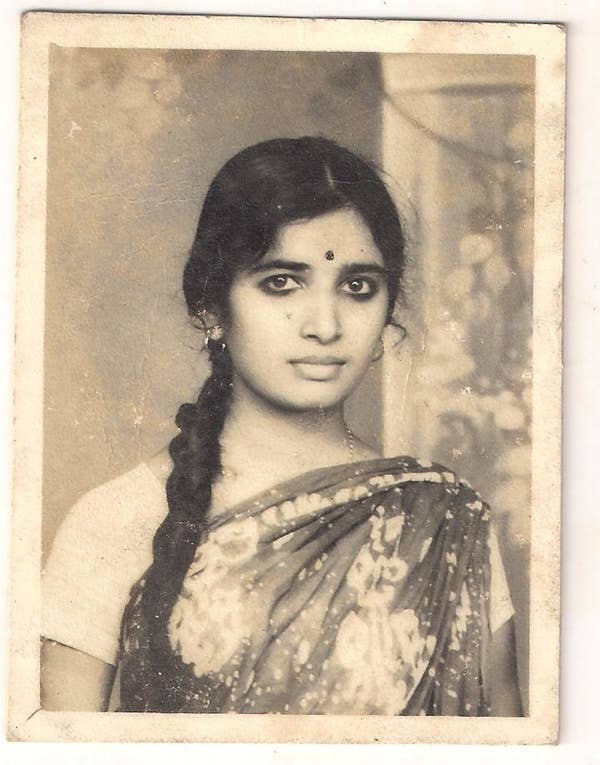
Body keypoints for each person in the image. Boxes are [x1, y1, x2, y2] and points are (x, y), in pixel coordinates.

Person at [41, 136, 522, 716]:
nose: (324, 324)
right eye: (281, 283)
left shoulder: (444, 521)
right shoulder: (115, 520)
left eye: (358, 287)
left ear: (388, 313)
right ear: (211, 308)